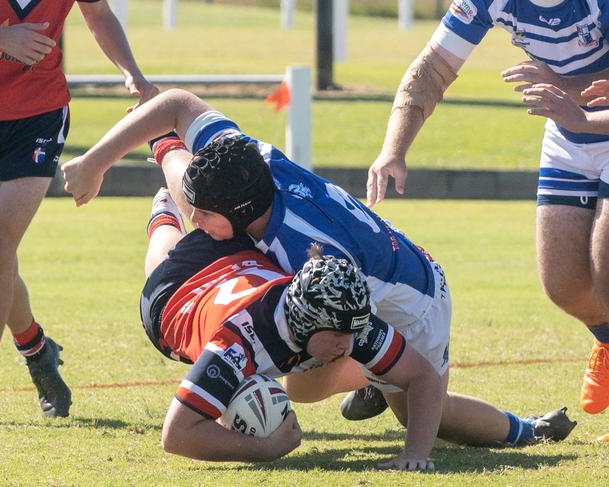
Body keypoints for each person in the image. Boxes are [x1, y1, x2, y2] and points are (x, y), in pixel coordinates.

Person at [61, 87, 577, 450]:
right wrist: (96, 160)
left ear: (241, 217)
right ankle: (372, 374)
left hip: (416, 295)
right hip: (357, 278)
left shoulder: (310, 258)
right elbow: (176, 104)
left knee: (414, 409)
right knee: (302, 386)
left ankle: (523, 430)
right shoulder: (248, 160)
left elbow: (326, 308)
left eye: (203, 214)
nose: (195, 219)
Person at [365, 0, 609, 422]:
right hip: (568, 130)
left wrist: (562, 86)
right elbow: (432, 68)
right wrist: (393, 149)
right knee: (563, 284)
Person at [141, 186, 445, 469]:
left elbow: (423, 376)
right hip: (175, 297)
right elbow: (177, 434)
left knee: (301, 384)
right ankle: (163, 214)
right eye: (340, 335)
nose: (349, 343)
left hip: (242, 261)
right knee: (162, 260)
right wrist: (268, 449)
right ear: (306, 323)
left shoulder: (341, 313)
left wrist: (415, 454)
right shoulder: (236, 344)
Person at [0, 0, 158, 423]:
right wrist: (2, 37)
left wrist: (133, 74)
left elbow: (98, 13)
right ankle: (36, 348)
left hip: (39, 113)